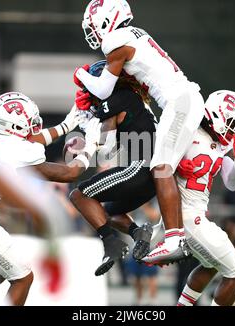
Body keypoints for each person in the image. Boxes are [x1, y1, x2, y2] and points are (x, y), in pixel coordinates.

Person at [74, 0, 205, 262]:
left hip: (179, 101)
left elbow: (101, 90)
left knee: (160, 165)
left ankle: (174, 238)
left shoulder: (115, 41)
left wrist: (80, 74)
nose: (95, 34)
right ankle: (179, 235)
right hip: (184, 99)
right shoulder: (135, 34)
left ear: (106, 19)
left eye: (94, 27)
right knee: (166, 167)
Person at [0, 92, 101, 305]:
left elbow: (28, 140)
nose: (34, 127)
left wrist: (67, 125)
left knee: (1, 271)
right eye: (28, 124)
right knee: (23, 277)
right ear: (12, 128)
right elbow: (70, 173)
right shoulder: (16, 151)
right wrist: (92, 145)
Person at [144, 90, 235, 306]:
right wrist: (175, 163)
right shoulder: (189, 131)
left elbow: (232, 184)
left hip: (195, 216)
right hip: (184, 217)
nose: (234, 131)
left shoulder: (222, 146)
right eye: (232, 123)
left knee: (210, 265)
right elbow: (159, 162)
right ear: (217, 113)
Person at [70, 60, 157, 276]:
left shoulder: (118, 100)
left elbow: (106, 147)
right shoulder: (133, 99)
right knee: (103, 213)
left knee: (79, 195)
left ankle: (111, 245)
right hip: (153, 177)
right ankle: (138, 233)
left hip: (139, 169)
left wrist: (91, 126)